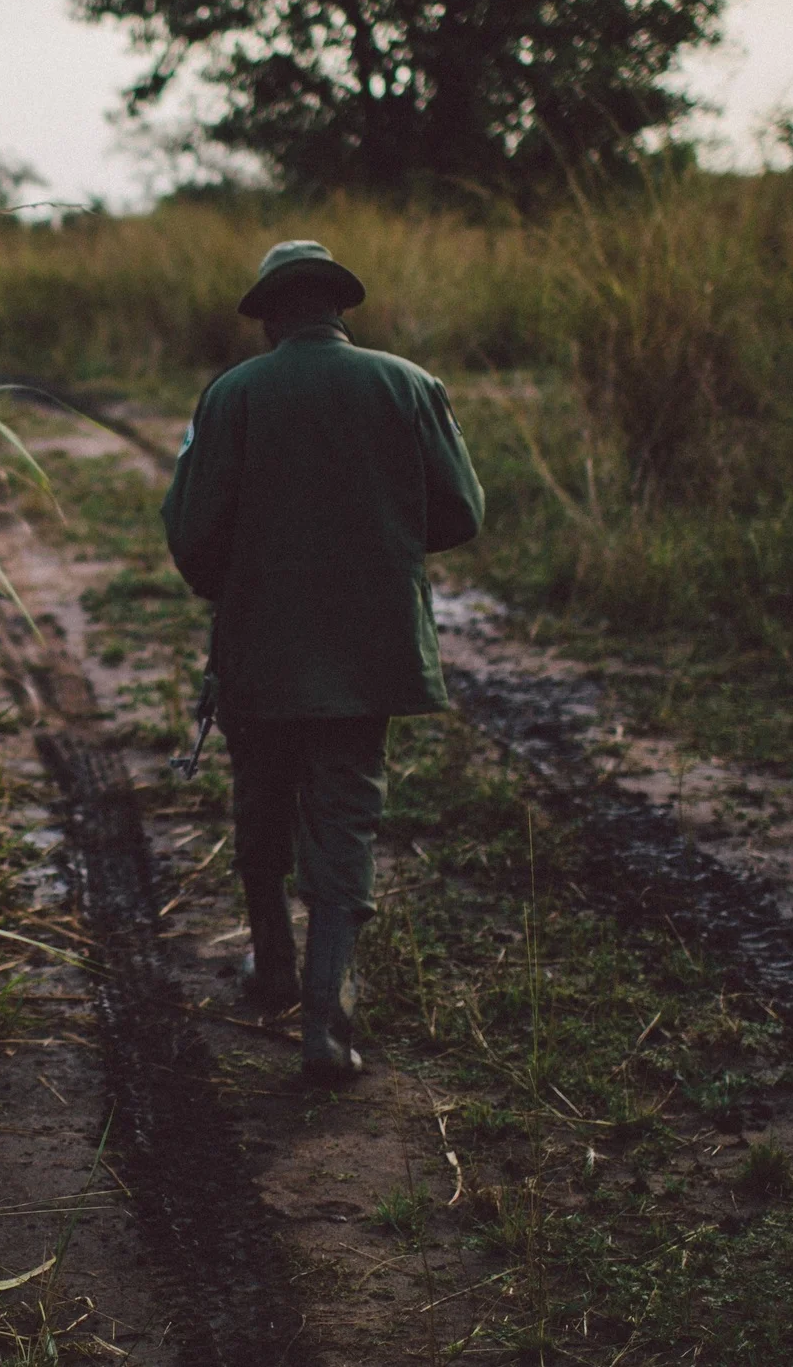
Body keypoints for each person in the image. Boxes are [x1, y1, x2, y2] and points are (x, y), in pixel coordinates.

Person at [161, 240, 484, 1087]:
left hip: (259, 650)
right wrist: (380, 546)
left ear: (269, 313)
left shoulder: (230, 395)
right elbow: (459, 511)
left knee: (260, 800)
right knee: (344, 818)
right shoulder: (409, 385)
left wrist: (232, 585)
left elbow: (192, 534)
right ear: (340, 308)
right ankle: (328, 1026)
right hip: (367, 650)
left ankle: (271, 967)